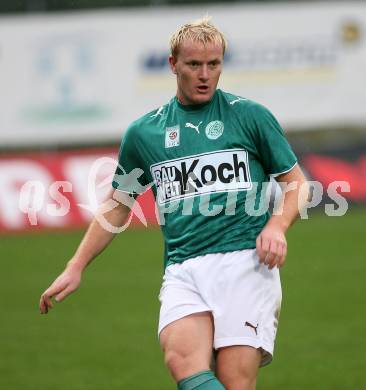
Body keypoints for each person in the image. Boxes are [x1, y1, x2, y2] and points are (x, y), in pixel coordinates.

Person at [40, 17, 308, 390]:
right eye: (194, 64)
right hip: (183, 268)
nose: (204, 74)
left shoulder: (250, 117)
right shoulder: (144, 133)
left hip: (247, 264)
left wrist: (276, 226)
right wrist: (75, 266)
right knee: (182, 362)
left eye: (213, 64)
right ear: (172, 65)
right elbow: (119, 203)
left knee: (235, 381)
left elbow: (297, 184)